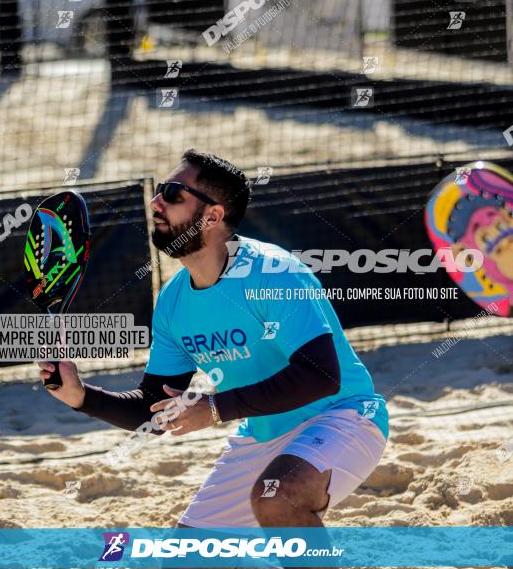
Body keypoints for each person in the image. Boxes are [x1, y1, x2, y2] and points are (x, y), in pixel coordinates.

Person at [38, 149, 388, 529]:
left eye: (172, 193)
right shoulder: (173, 301)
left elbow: (321, 376)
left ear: (213, 215)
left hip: (344, 417)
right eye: (159, 191)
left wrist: (217, 407)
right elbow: (155, 408)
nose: (156, 201)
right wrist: (81, 396)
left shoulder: (274, 273)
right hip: (263, 430)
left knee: (277, 499)